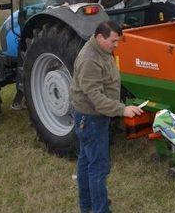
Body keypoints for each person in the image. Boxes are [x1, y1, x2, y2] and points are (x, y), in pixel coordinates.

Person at [70, 21, 143, 213]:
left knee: (86, 160)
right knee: (99, 167)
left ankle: (87, 205)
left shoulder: (102, 50)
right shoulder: (90, 60)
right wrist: (122, 109)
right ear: (100, 37)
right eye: (113, 41)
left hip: (94, 117)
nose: (116, 46)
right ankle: (100, 209)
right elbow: (95, 98)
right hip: (91, 118)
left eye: (118, 41)